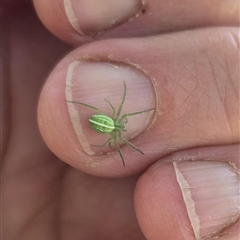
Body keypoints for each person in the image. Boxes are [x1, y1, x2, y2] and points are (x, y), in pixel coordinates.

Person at [2, 0, 239, 239]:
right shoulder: (117, 125)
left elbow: (121, 127)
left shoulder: (116, 126)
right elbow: (122, 116)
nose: (124, 121)